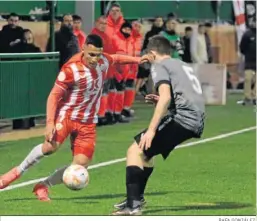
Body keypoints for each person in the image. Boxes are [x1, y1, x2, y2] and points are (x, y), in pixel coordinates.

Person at [0, 34, 151, 201]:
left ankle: (44, 185)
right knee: (50, 148)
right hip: (67, 117)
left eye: (98, 55)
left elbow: (115, 58)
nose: (95, 59)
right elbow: (53, 96)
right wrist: (50, 123)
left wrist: (137, 60)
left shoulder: (102, 61)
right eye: (92, 54)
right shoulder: (70, 69)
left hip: (88, 122)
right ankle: (13, 174)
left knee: (81, 165)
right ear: (84, 48)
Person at [112, 35, 205, 215]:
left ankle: (133, 206)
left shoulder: (159, 66)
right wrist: (166, 103)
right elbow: (185, 95)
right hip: (197, 118)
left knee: (135, 150)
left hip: (184, 118)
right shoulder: (182, 64)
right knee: (146, 154)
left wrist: (152, 130)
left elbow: (166, 96)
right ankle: (136, 197)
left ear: (152, 53)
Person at [91, 16, 115, 125]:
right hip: (98, 70)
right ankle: (99, 116)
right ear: (96, 23)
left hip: (107, 70)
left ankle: (103, 114)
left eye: (105, 24)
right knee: (99, 94)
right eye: (101, 23)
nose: (103, 25)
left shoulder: (106, 36)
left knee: (105, 93)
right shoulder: (94, 37)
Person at [136, 16, 164, 97]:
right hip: (151, 57)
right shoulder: (150, 33)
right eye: (157, 20)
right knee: (150, 75)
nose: (159, 22)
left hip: (161, 57)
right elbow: (145, 46)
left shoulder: (164, 33)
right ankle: (150, 93)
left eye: (160, 21)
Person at [239, 19, 256, 105]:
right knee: (248, 79)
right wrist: (248, 54)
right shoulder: (247, 34)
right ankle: (247, 97)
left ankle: (255, 97)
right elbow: (242, 47)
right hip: (249, 61)